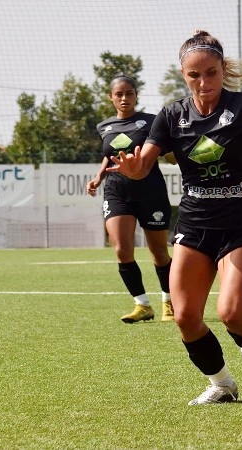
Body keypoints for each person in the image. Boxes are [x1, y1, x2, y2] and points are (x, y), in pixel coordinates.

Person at [108, 31, 242, 405]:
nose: (204, 82)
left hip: (240, 226)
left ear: (223, 69)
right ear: (183, 75)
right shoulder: (172, 115)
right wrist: (134, 169)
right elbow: (144, 161)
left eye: (211, 73)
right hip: (194, 225)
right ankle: (221, 384)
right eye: (194, 75)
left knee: (231, 313)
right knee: (185, 317)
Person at [87, 74, 174, 323]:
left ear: (136, 95)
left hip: (150, 192)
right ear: (111, 97)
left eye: (129, 93)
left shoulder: (152, 121)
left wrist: (178, 154)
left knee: (159, 253)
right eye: (119, 94)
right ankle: (142, 305)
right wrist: (98, 177)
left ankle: (170, 302)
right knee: (121, 250)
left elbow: (167, 153)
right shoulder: (104, 126)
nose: (124, 98)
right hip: (117, 192)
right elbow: (110, 154)